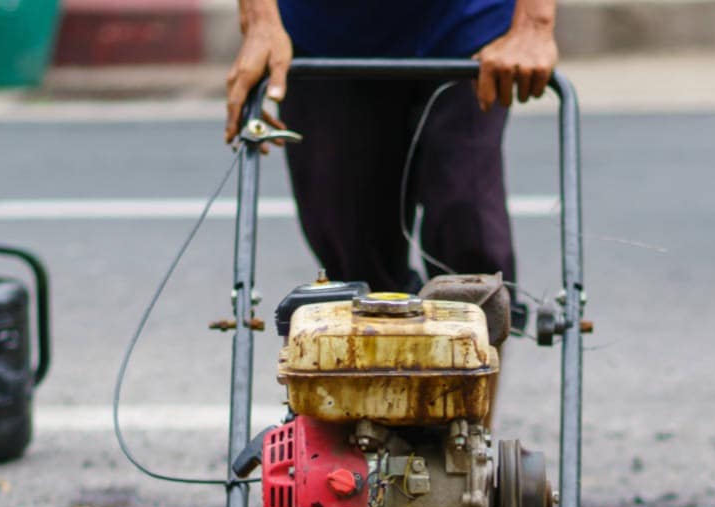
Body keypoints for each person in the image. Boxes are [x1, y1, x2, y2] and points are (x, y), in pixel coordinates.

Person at [221, 0, 558, 299]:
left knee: (466, 224)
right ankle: (382, 356)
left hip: (468, 29)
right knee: (353, 249)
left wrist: (534, 25)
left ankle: (473, 357)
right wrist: (260, 23)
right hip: (325, 31)